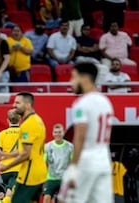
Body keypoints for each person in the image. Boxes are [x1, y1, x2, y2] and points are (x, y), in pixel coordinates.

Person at [58, 62, 114, 203]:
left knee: (64, 200)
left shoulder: (81, 104)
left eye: (73, 77)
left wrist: (73, 167)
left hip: (85, 162)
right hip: (104, 162)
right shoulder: (106, 102)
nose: (71, 82)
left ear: (84, 78)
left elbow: (80, 137)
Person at [0, 92, 47, 203]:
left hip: (29, 175)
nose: (14, 105)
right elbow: (28, 148)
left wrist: (6, 167)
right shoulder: (37, 120)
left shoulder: (28, 125)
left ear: (28, 105)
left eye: (17, 103)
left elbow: (25, 154)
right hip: (39, 172)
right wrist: (8, 154)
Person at [43, 123, 73, 203]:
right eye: (56, 132)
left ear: (63, 133)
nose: (58, 134)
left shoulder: (70, 147)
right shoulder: (47, 147)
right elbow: (43, 163)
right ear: (53, 133)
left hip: (64, 179)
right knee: (46, 198)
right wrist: (43, 179)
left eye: (59, 132)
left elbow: (73, 164)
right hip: (51, 178)